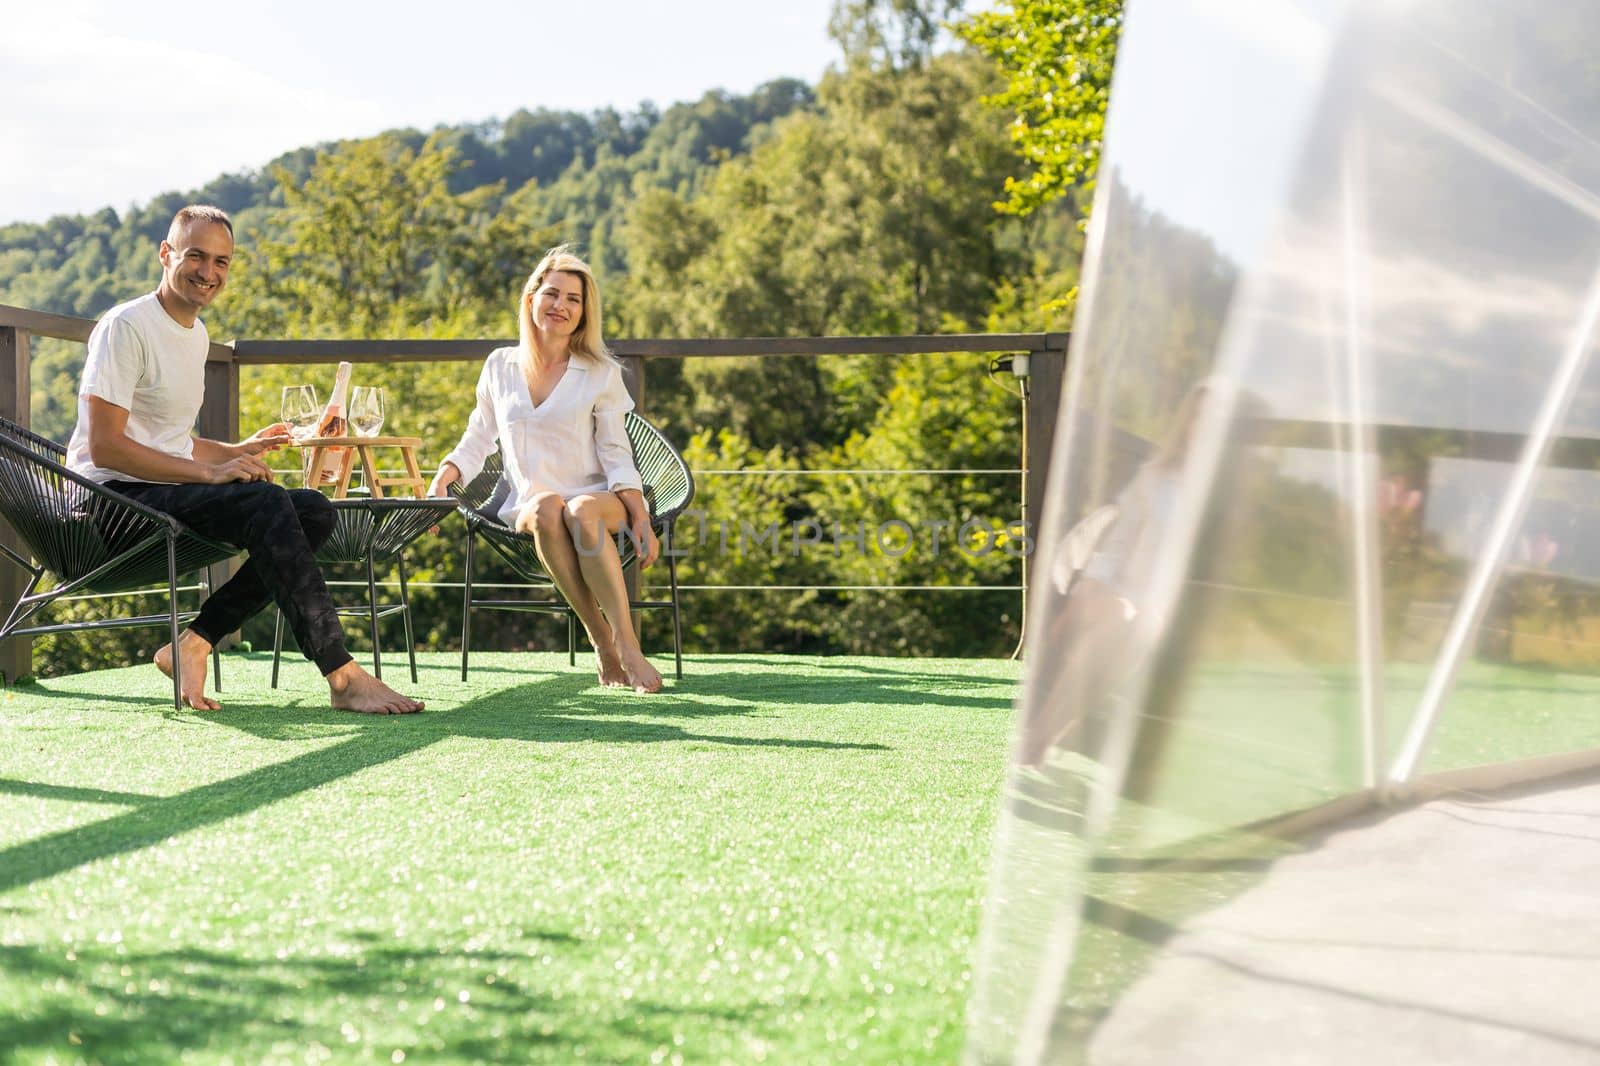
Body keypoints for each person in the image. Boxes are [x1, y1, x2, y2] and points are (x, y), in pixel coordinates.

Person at [65, 205, 424, 714]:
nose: (208, 273)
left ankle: (194, 642)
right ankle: (342, 675)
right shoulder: (126, 326)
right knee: (266, 503)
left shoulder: (197, 336)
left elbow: (172, 441)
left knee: (312, 510)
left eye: (221, 262)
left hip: (153, 489)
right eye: (195, 256)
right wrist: (212, 473)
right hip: (106, 502)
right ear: (166, 255)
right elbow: (107, 447)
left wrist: (232, 452)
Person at [428, 245, 663, 693]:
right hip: (532, 505)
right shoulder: (500, 366)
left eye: (574, 299)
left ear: (583, 313)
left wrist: (640, 515)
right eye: (553, 294)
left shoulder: (600, 372)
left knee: (578, 510)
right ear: (532, 297)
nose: (561, 306)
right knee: (552, 507)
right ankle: (602, 644)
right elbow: (479, 436)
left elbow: (616, 451)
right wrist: (446, 474)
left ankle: (627, 646)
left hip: (598, 499)